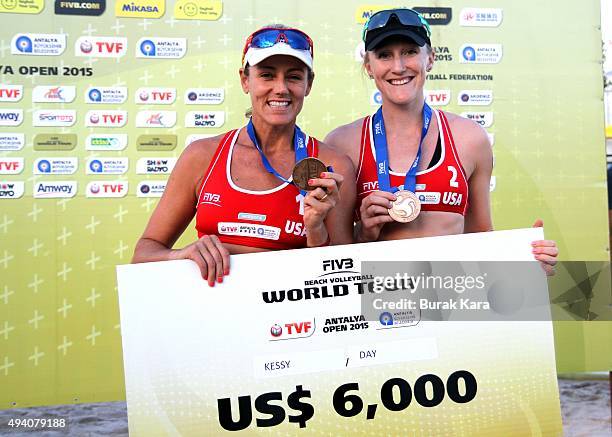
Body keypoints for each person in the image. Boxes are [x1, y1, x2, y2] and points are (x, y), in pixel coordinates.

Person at [325, 8, 557, 274]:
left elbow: (480, 238)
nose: (398, 67)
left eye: (410, 51)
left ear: (431, 59)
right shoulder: (343, 143)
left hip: (450, 304)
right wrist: (365, 234)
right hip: (379, 305)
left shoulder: (470, 138)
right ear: (369, 66)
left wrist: (527, 264)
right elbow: (332, 266)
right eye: (384, 55)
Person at [132, 25, 356, 286]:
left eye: (294, 77)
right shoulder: (203, 156)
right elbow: (143, 254)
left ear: (309, 85)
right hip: (214, 319)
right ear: (245, 80)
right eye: (267, 75)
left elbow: (342, 280)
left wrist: (316, 231)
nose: (281, 88)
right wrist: (181, 255)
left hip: (291, 320)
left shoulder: (332, 165)